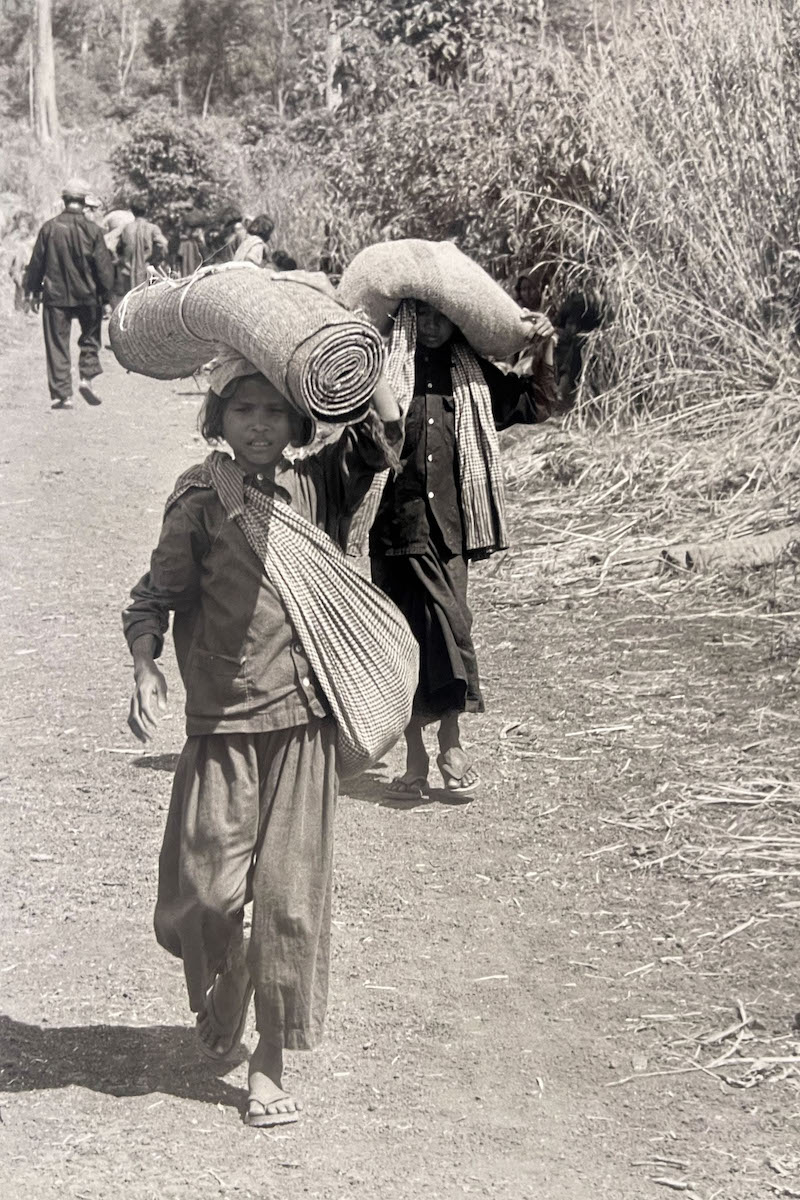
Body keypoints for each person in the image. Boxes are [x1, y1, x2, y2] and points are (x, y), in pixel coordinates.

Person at [122, 368, 404, 1127]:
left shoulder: (318, 487)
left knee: (289, 904)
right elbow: (156, 595)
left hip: (305, 718)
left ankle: (268, 1063)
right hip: (223, 722)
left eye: (276, 412)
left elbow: (383, 440)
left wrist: (359, 359)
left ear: (298, 422)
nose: (260, 426)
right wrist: (147, 666)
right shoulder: (199, 501)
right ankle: (229, 969)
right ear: (219, 417)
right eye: (244, 411)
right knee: (207, 896)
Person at [368, 299, 556, 801]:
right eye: (421, 316)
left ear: (458, 320)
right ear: (407, 318)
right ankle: (413, 757)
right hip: (392, 531)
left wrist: (544, 348)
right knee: (398, 644)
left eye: (441, 317)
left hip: (450, 532)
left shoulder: (473, 377)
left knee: (452, 629)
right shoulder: (386, 372)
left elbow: (535, 404)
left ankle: (451, 736)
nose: (431, 327)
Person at [24, 177, 115, 409]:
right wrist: (107, 298)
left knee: (57, 343)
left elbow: (36, 263)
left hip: (55, 298)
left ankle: (63, 395)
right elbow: (104, 269)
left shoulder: (49, 228)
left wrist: (31, 291)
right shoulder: (93, 231)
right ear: (85, 202)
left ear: (64, 200)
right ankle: (86, 377)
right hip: (88, 296)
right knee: (90, 338)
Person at [119, 197, 169, 289]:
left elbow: (116, 247)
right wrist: (157, 261)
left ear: (132, 211)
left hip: (128, 273)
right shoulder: (152, 228)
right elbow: (164, 244)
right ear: (147, 211)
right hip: (147, 271)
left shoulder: (126, 229)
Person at [6, 210, 36, 312]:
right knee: (19, 292)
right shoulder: (16, 241)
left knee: (27, 293)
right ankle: (19, 310)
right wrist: (13, 270)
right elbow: (12, 259)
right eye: (20, 226)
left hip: (29, 271)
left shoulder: (32, 242)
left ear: (29, 228)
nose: (21, 229)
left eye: (24, 226)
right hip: (18, 271)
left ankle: (27, 310)